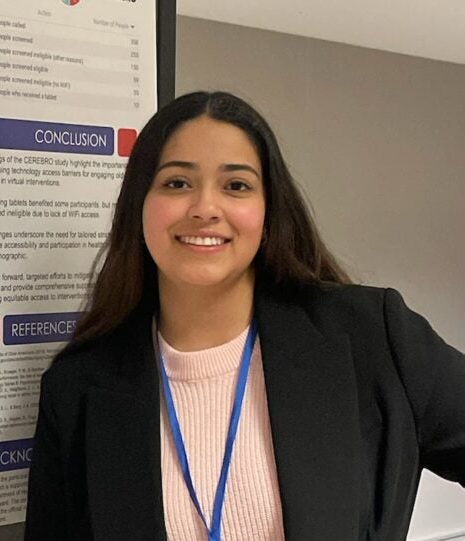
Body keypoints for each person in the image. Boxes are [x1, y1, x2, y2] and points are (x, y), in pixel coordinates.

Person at [23, 91, 465, 540]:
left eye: (236, 186)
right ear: (139, 206)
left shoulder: (371, 335)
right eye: (177, 183)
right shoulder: (78, 389)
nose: (205, 208)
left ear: (268, 212)